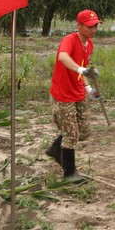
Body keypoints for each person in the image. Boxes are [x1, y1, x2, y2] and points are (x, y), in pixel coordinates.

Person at [45, 10, 102, 182]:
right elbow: (63, 57)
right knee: (71, 134)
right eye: (89, 26)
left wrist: (88, 88)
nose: (93, 30)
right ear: (79, 25)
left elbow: (81, 67)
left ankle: (56, 149)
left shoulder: (89, 44)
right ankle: (70, 173)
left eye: (95, 26)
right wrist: (80, 69)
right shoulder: (69, 40)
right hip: (63, 94)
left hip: (78, 91)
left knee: (83, 131)